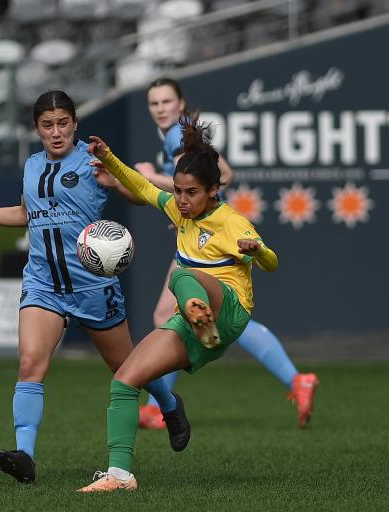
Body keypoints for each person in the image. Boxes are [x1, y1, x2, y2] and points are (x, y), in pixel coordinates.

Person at [0, 90, 188, 485]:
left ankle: (170, 404)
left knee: (127, 369)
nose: (56, 132)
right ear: (36, 129)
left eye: (63, 123)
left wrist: (114, 177)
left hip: (93, 286)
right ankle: (25, 455)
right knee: (29, 364)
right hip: (43, 285)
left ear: (75, 123)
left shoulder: (92, 159)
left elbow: (138, 196)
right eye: (47, 125)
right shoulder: (32, 165)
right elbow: (25, 213)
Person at [77, 114, 280, 492]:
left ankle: (198, 316)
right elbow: (140, 184)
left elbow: (272, 262)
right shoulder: (177, 208)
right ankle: (120, 476)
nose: (182, 201)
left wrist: (258, 250)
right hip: (194, 320)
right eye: (178, 191)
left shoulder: (232, 222)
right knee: (124, 380)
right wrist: (109, 158)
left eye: (191, 193)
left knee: (179, 276)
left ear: (213, 191)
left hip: (230, 311)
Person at [130, 78, 318, 430]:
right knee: (225, 318)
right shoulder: (183, 135)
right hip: (207, 230)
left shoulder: (176, 137)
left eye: (167, 101)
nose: (161, 109)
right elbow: (226, 173)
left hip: (208, 237)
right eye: (154, 103)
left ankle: (159, 406)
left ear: (181, 103)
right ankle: (296, 380)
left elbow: (190, 181)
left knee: (168, 313)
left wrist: (151, 177)